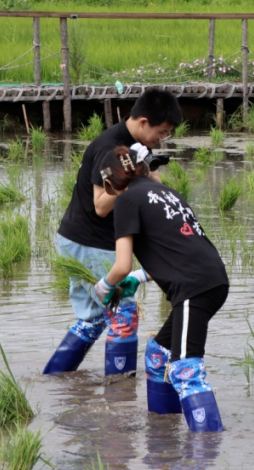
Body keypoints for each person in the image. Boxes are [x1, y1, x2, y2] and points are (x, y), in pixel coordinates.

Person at [44, 88, 182, 377]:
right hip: (89, 242)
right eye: (162, 132)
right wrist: (132, 177)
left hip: (90, 241)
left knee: (94, 319)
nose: (163, 138)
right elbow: (101, 206)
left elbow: (151, 181)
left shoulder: (137, 145)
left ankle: (55, 380)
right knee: (124, 315)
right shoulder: (112, 148)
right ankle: (119, 395)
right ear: (143, 121)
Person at [94, 143, 231, 432]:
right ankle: (164, 432)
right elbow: (174, 251)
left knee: (186, 370)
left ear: (111, 183)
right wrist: (141, 278)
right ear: (144, 168)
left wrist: (104, 287)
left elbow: (121, 265)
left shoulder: (127, 201)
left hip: (194, 288)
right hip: (210, 279)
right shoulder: (168, 193)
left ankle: (206, 454)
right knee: (158, 354)